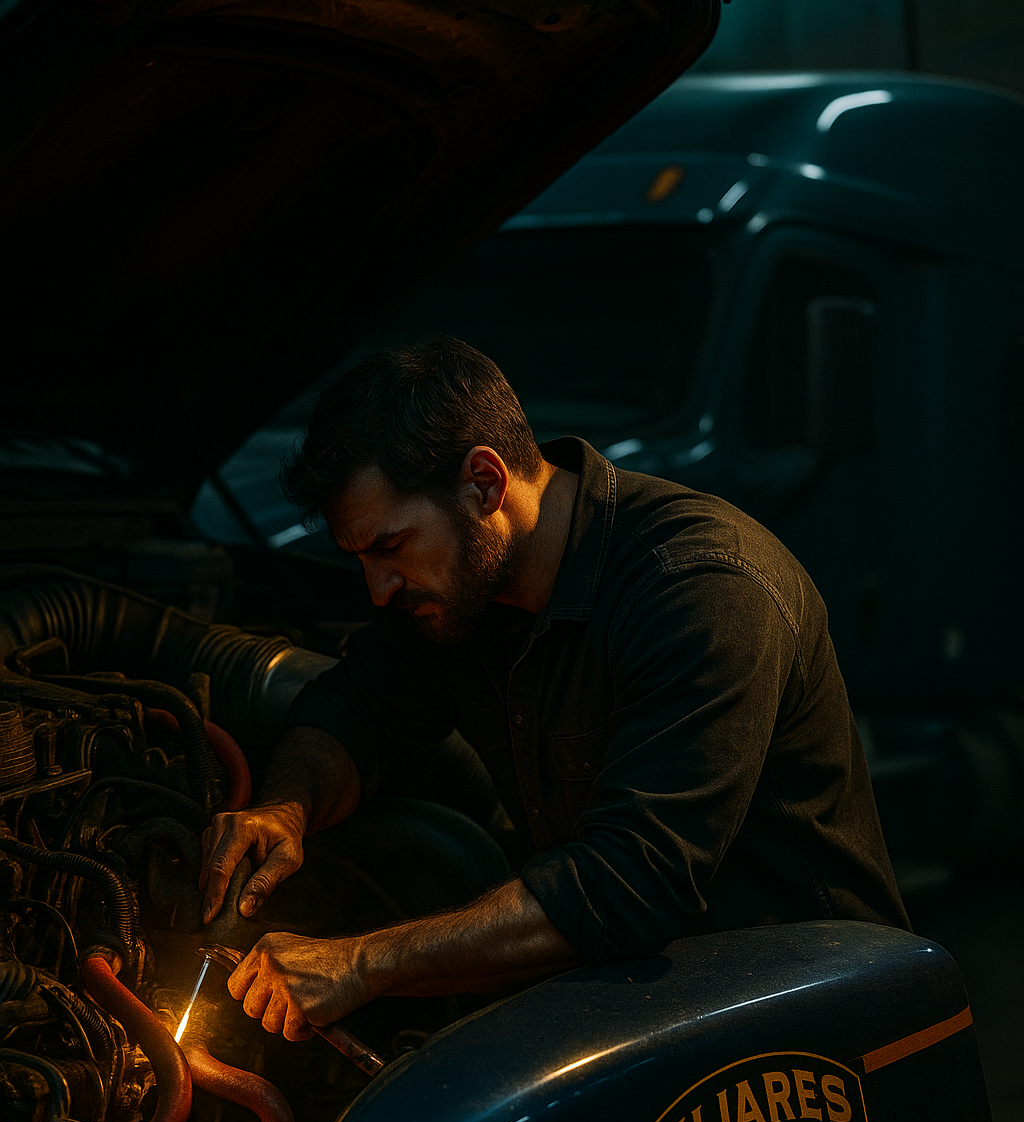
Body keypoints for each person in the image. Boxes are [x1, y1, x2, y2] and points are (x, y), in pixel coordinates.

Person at [199, 336, 908, 1042]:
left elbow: (626, 885)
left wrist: (362, 963)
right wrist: (284, 809)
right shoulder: (460, 599)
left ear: (484, 483)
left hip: (815, 1018)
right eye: (360, 560)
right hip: (650, 1005)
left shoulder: (701, 588)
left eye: (390, 547)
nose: (378, 589)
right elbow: (353, 709)